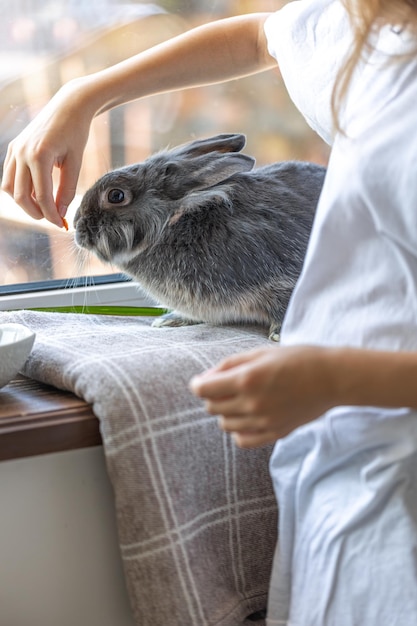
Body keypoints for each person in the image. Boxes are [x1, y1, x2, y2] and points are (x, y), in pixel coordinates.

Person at [3, 0, 417, 623]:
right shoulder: (367, 30)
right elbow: (259, 36)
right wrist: (84, 95)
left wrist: (336, 378)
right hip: (337, 469)